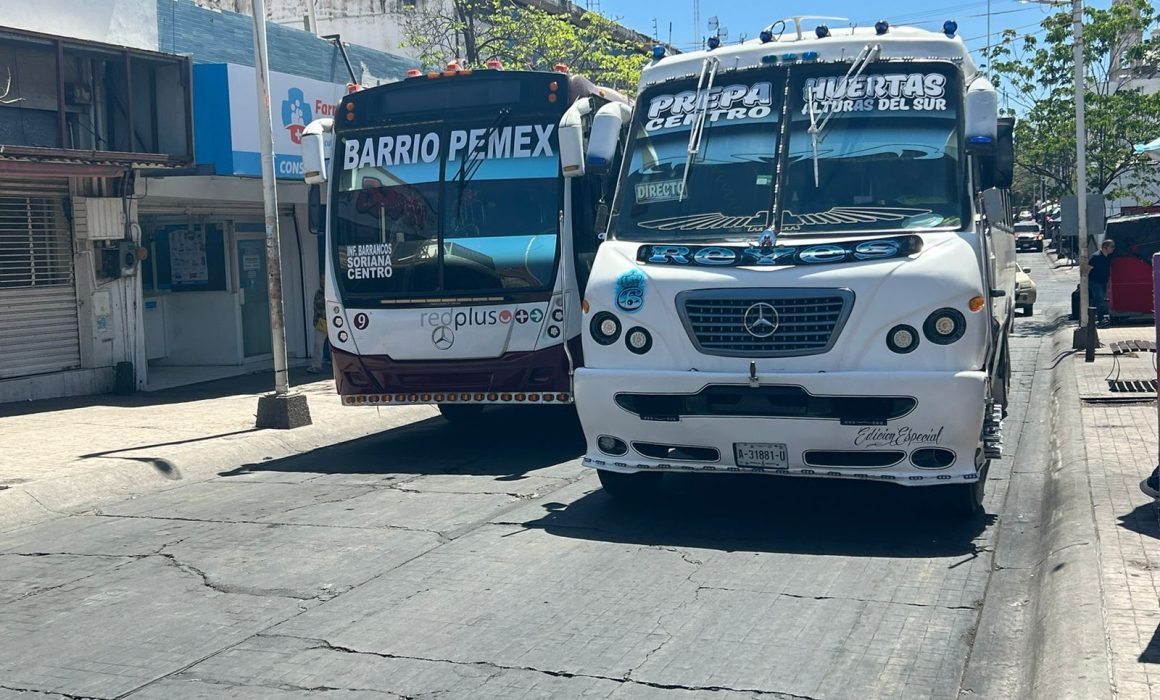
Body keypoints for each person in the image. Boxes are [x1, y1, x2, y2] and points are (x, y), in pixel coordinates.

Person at [1086, 238, 1114, 327]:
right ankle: (1100, 319)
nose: (1113, 248)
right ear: (1105, 247)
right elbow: (1087, 269)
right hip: (1095, 281)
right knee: (1099, 299)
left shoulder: (1108, 257)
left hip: (1103, 282)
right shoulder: (1096, 256)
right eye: (1112, 246)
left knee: (1097, 300)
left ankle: (1091, 318)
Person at [307, 274, 327, 374]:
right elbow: (317, 307)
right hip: (321, 323)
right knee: (318, 344)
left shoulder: (333, 291)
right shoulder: (318, 293)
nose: (323, 281)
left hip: (334, 322)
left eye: (325, 278)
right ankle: (316, 366)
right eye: (322, 279)